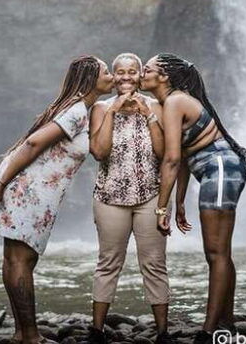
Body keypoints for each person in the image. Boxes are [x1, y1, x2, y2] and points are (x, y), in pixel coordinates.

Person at [0, 55, 114, 344]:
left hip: (34, 188)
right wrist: (0, 185)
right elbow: (33, 143)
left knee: (15, 259)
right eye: (107, 71)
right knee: (20, 258)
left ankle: (22, 333)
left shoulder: (81, 109)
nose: (112, 75)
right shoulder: (77, 110)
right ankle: (29, 335)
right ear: (90, 79)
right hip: (27, 187)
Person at [141, 53, 246, 343]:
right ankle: (226, 322)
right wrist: (179, 202)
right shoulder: (171, 102)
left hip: (222, 169)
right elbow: (185, 158)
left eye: (147, 69)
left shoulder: (175, 101)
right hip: (215, 171)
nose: (142, 72)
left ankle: (208, 331)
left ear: (163, 75)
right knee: (219, 251)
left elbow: (172, 159)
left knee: (215, 252)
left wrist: (161, 208)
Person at [87, 53, 173, 344]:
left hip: (150, 196)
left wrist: (146, 114)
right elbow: (99, 152)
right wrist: (114, 110)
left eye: (132, 72)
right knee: (108, 262)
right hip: (109, 196)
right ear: (113, 77)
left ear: (140, 76)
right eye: (120, 72)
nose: (126, 77)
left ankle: (163, 333)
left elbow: (163, 154)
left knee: (154, 263)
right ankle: (96, 332)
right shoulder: (100, 108)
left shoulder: (157, 107)